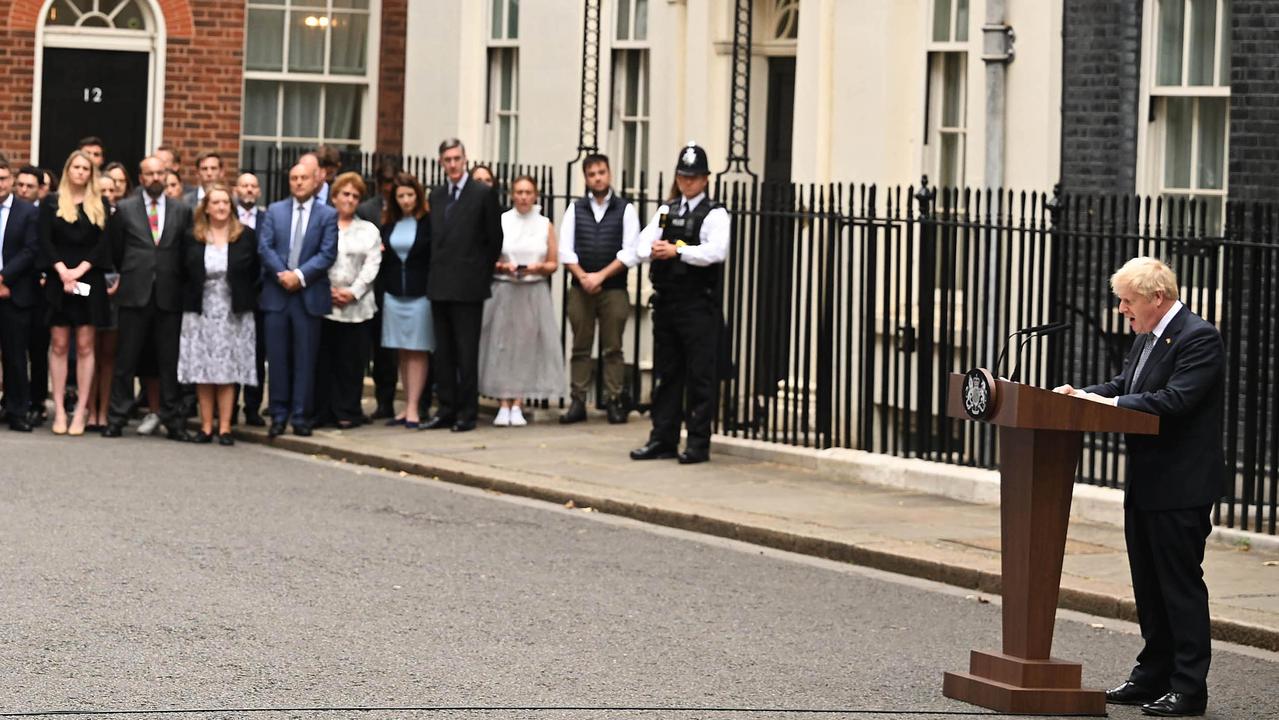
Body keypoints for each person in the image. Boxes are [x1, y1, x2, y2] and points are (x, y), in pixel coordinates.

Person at [1053, 257, 1224, 717]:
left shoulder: (1198, 337)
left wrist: (1106, 400)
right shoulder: (1148, 337)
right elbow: (1125, 385)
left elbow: (1175, 400)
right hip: (1147, 483)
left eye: (1127, 301)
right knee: (1149, 587)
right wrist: (1081, 395)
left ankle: (1188, 688)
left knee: (1179, 587)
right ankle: (1151, 677)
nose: (1121, 309)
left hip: (1181, 486)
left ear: (1157, 298)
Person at [630, 143, 730, 465]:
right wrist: (656, 249)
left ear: (705, 179)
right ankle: (663, 437)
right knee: (667, 373)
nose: (689, 182)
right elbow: (642, 245)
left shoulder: (715, 213)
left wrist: (679, 250)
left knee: (700, 375)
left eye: (695, 177)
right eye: (685, 177)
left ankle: (698, 443)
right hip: (668, 302)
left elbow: (716, 252)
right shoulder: (666, 210)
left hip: (697, 304)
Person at [102, 155, 193, 441]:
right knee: (126, 359)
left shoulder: (181, 210)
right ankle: (117, 417)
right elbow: (115, 251)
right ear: (140, 178)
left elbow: (185, 252)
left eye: (160, 173)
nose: (155, 178)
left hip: (168, 295)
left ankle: (173, 420)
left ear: (166, 176)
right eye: (149, 174)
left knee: (168, 362)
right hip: (134, 293)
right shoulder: (126, 210)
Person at [423, 139, 503, 433]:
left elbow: (494, 240)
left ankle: (466, 412)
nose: (453, 164)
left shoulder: (482, 194)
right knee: (443, 352)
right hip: (440, 284)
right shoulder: (438, 194)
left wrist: (480, 274)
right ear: (441, 162)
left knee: (466, 353)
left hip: (468, 286)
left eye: (457, 158)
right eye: (447, 160)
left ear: (465, 159)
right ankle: (446, 408)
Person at [258, 161, 338, 437]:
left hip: (308, 295)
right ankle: (278, 415)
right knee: (277, 359)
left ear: (316, 181)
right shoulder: (275, 211)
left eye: (304, 178)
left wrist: (300, 276)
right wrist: (282, 273)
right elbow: (264, 246)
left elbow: (327, 254)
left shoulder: (327, 215)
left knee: (306, 358)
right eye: (294, 178)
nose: (299, 182)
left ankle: (301, 416)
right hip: (277, 295)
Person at [558, 154, 640, 424]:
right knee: (580, 346)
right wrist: (583, 277)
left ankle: (614, 400)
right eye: (592, 174)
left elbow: (630, 251)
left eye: (601, 172)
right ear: (586, 178)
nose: (597, 177)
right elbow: (565, 250)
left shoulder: (625, 209)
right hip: (580, 288)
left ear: (609, 173)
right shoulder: (575, 209)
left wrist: (600, 276)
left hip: (614, 287)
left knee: (613, 347)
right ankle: (578, 400)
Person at [178, 184, 260, 445]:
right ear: (206, 208)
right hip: (201, 310)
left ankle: (225, 427)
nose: (222, 207)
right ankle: (205, 427)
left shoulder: (245, 235)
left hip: (232, 310)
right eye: (216, 202)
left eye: (226, 202)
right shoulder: (193, 236)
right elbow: (182, 270)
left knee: (227, 370)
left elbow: (256, 272)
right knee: (204, 370)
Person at [479, 175, 564, 426]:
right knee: (501, 345)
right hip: (505, 288)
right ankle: (502, 402)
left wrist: (537, 267)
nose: (524, 196)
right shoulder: (502, 220)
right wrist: (503, 267)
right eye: (519, 192)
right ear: (512, 195)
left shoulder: (544, 224)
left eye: (528, 192)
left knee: (526, 346)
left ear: (535, 195)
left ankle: (518, 401)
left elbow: (553, 262)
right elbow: (488, 255)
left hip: (532, 289)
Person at [37, 150, 111, 436]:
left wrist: (78, 271)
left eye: (85, 168)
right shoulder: (51, 203)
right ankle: (58, 409)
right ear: (68, 170)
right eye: (76, 167)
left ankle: (81, 410)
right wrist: (62, 271)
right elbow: (45, 240)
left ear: (91, 174)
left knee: (84, 344)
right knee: (58, 342)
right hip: (59, 279)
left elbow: (103, 245)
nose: (80, 172)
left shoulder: (100, 203)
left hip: (87, 280)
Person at [313, 172, 381, 429]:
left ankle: (347, 410)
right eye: (345, 194)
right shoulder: (321, 225)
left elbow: (372, 264)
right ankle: (323, 410)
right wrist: (328, 290)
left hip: (357, 306)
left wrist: (353, 291)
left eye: (355, 196)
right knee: (324, 360)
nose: (350, 199)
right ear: (334, 197)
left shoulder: (368, 230)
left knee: (351, 362)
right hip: (325, 302)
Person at [377, 172, 433, 429]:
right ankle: (405, 405)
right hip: (394, 294)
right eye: (401, 196)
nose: (406, 200)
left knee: (417, 349)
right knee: (401, 349)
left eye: (410, 195)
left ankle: (414, 407)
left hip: (419, 295)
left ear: (418, 196)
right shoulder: (389, 223)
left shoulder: (428, 222)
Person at [0, 157, 42, 431]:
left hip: (14, 293)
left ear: (11, 180)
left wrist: (3, 278)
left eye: (2, 178)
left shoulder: (28, 212)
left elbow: (31, 250)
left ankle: (17, 411)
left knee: (15, 356)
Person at [358, 158, 401, 420]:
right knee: (367, 345)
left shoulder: (403, 207)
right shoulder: (366, 209)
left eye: (392, 182)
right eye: (384, 183)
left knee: (388, 349)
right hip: (368, 284)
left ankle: (386, 400)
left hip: (393, 284)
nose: (388, 188)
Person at [85, 173, 121, 432]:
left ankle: (103, 410)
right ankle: (89, 409)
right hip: (89, 287)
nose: (108, 193)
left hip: (117, 289)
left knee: (108, 355)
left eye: (112, 189)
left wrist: (120, 281)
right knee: (89, 351)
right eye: (102, 189)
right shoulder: (87, 214)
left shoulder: (124, 216)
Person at [233, 172, 268, 426]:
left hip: (261, 294)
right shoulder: (226, 215)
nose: (248, 190)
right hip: (233, 293)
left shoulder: (268, 219)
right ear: (236, 189)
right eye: (244, 185)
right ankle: (230, 405)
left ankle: (253, 406)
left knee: (256, 353)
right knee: (233, 350)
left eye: (253, 186)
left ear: (258, 192)